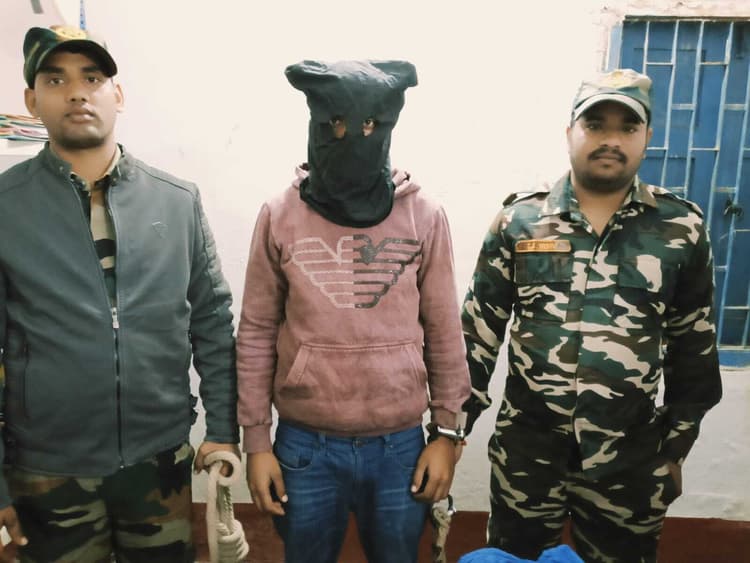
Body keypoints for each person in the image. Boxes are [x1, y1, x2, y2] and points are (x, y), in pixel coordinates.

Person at [461, 68, 722, 562]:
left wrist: (674, 449)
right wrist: (452, 432)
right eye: (595, 124)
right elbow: (477, 334)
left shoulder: (680, 227)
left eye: (628, 127)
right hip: (527, 458)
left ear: (647, 137)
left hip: (630, 462)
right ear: (570, 133)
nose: (611, 140)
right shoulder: (521, 219)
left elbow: (695, 348)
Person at [0, 25, 239, 561]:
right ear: (32, 101)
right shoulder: (6, 206)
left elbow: (212, 323)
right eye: (56, 80)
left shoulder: (177, 201)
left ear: (119, 94)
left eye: (92, 78)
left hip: (159, 461)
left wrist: (223, 430)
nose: (77, 93)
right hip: (47, 468)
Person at [236, 59, 471, 563]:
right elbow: (255, 330)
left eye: (368, 125)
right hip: (304, 447)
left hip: (400, 448)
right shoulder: (279, 215)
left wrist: (447, 433)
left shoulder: (423, 214)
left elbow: (444, 329)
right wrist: (256, 442)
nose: (351, 137)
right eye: (336, 124)